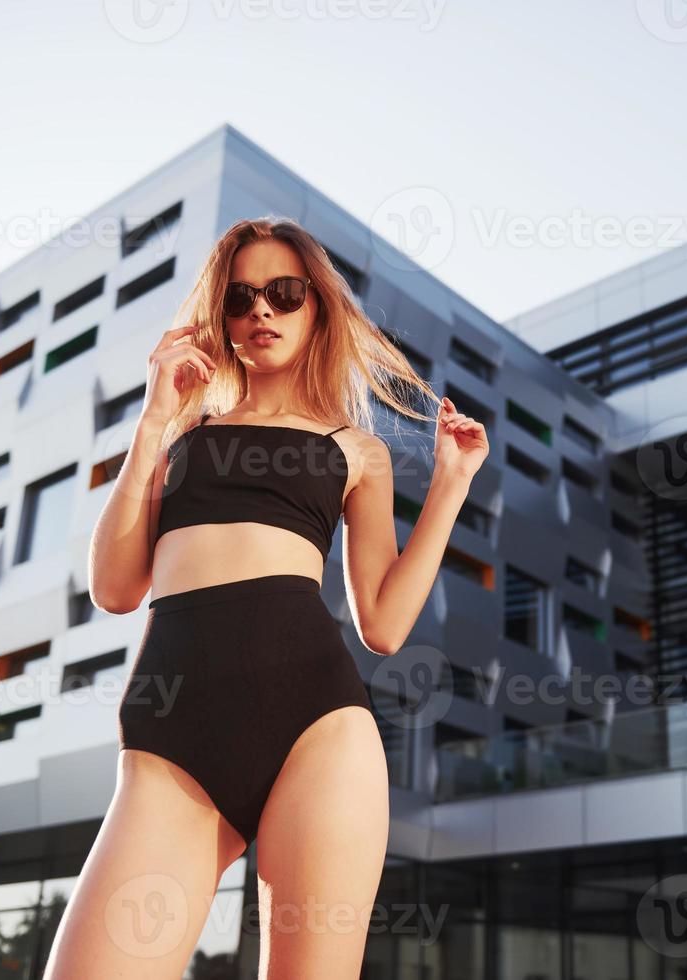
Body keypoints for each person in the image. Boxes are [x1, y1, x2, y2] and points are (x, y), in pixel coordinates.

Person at [42, 216, 488, 978]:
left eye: (283, 292)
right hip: (171, 735)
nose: (262, 312)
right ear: (220, 318)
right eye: (241, 298)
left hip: (317, 728)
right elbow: (115, 589)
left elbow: (381, 624)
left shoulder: (358, 450)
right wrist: (152, 419)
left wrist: (450, 485)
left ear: (316, 305)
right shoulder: (181, 431)